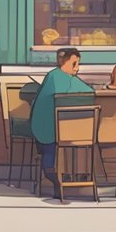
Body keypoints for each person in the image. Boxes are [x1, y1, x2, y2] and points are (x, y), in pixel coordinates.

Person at [29, 48, 93, 195]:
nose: (77, 67)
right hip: (49, 127)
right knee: (50, 155)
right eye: (75, 63)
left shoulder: (56, 76)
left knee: (50, 154)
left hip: (53, 128)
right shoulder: (59, 78)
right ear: (65, 63)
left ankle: (59, 181)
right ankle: (58, 181)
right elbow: (87, 93)